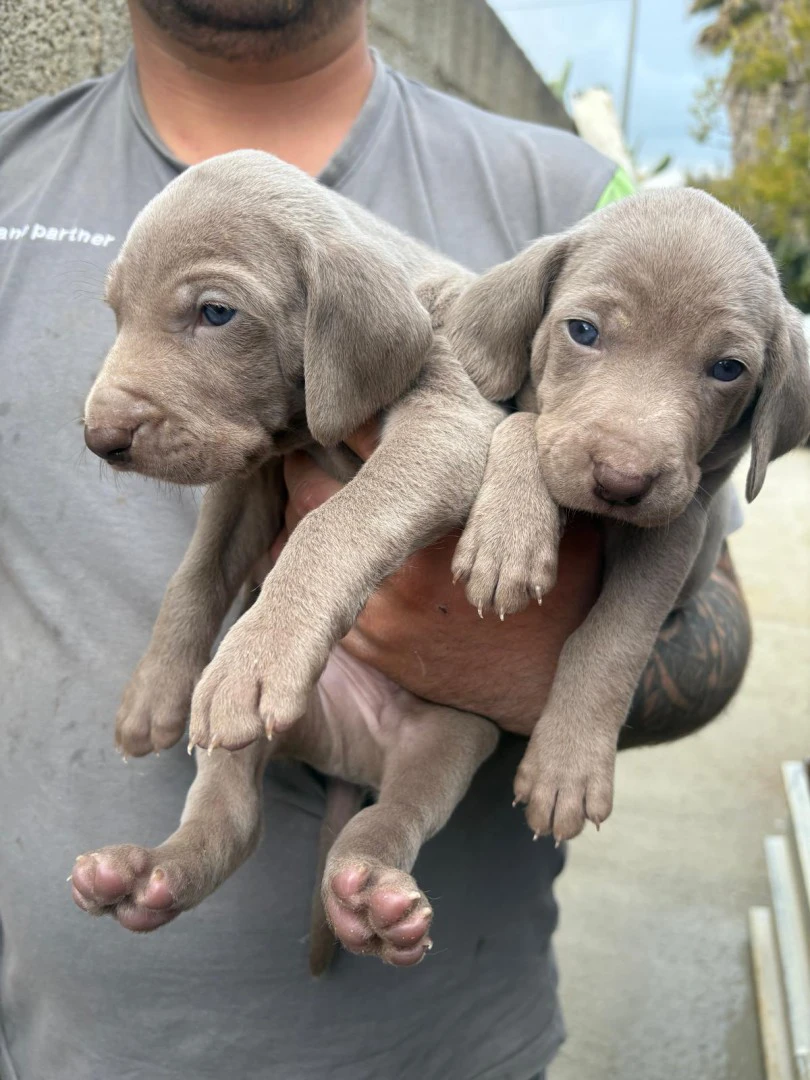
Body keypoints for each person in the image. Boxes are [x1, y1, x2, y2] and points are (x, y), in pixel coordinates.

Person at [0, 2, 751, 1077]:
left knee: (409, 767)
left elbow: (704, 600)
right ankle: (209, 838)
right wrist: (193, 641)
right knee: (231, 758)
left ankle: (376, 841)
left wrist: (537, 676)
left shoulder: (592, 209)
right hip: (60, 1042)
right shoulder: (14, 173)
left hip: (453, 1041)